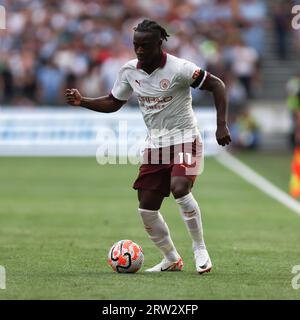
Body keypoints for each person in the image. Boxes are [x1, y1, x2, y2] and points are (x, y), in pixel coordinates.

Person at [65, 20, 231, 274]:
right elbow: (113, 101)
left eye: (145, 45)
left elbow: (217, 85)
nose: (139, 50)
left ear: (159, 44)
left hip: (186, 138)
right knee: (146, 209)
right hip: (156, 145)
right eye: (136, 45)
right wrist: (82, 101)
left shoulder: (180, 68)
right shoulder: (129, 71)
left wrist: (221, 126)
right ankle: (171, 258)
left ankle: (199, 248)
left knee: (179, 187)